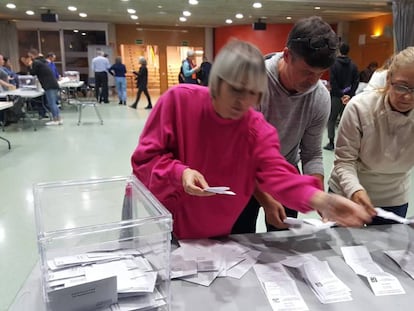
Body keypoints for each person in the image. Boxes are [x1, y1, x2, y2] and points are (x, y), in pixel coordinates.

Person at [131, 40, 375, 240]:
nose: (244, 102)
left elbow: (280, 176)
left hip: (219, 236)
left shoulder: (257, 130)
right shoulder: (179, 102)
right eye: (236, 90)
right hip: (168, 228)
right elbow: (144, 160)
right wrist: (180, 174)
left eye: (254, 94)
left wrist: (323, 200)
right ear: (217, 83)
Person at [233, 16, 338, 234]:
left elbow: (312, 153)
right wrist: (267, 199)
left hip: (286, 172)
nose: (313, 81)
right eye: (307, 72)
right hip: (243, 172)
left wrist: (318, 196)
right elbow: (241, 153)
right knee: (240, 239)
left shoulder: (319, 97)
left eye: (320, 74)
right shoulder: (253, 82)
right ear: (287, 55)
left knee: (284, 242)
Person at [328, 46, 414, 225]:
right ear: (389, 79)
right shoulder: (360, 107)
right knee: (341, 249)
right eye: (401, 87)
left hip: (393, 197)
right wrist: (355, 190)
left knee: (386, 252)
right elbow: (344, 161)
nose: (407, 97)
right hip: (348, 192)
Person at [323, 43, 359, 151]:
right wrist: (349, 94)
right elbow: (355, 82)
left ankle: (331, 142)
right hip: (348, 97)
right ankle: (344, 144)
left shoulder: (333, 65)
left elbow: (333, 81)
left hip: (335, 96)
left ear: (339, 51)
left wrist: (339, 93)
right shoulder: (353, 65)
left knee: (332, 119)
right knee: (346, 121)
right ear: (348, 51)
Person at [21, 49, 62, 125]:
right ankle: (58, 118)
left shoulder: (36, 62)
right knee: (54, 103)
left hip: (49, 85)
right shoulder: (42, 61)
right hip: (53, 84)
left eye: (29, 57)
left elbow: (33, 73)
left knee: (51, 103)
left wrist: (29, 65)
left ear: (32, 56)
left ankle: (55, 120)